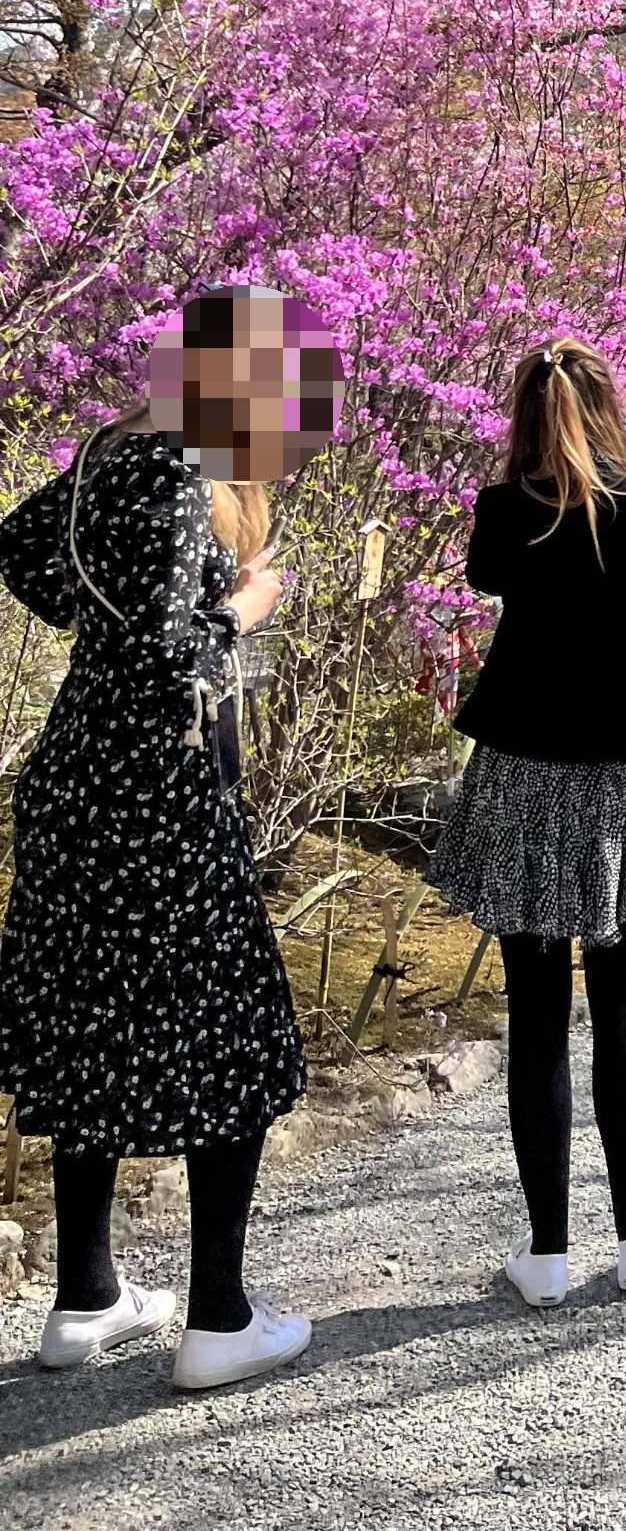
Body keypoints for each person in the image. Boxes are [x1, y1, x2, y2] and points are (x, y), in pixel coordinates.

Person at [0, 285, 340, 1391]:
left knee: (91, 1022)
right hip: (155, 793)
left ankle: (88, 1297)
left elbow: (21, 554)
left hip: (77, 782)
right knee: (227, 1036)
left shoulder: (114, 452)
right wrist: (246, 607)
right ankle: (220, 1319)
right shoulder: (176, 473)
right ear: (246, 386)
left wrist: (115, 621)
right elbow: (171, 659)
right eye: (289, 399)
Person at [430, 341, 626, 1310]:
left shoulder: (506, 512)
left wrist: (526, 468)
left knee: (536, 1012)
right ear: (611, 405)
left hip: (518, 772)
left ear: (529, 412)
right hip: (619, 777)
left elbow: (484, 573)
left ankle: (546, 1252)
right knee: (620, 996)